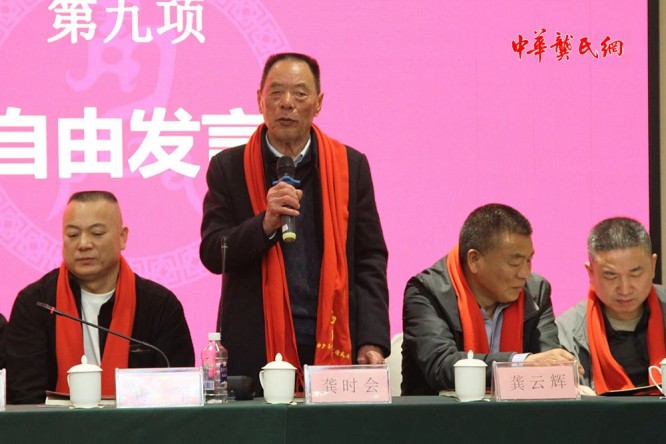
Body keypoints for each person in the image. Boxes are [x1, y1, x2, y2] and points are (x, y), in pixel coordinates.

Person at [199, 52, 389, 390]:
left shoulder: (350, 166)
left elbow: (369, 259)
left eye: (300, 93)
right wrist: (264, 225)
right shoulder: (228, 167)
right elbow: (214, 252)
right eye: (276, 92)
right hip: (255, 346)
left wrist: (371, 338)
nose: (287, 103)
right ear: (260, 100)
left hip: (334, 335)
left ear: (318, 103)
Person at [6, 191, 194, 404]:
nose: (83, 244)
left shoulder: (160, 306)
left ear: (122, 237)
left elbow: (177, 394)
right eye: (73, 235)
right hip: (54, 424)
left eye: (96, 233)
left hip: (139, 425)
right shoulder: (36, 304)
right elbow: (25, 397)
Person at [402, 203, 577, 395]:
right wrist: (520, 363)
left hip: (518, 413)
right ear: (474, 260)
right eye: (515, 262)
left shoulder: (536, 291)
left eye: (529, 260)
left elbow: (547, 360)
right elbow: (442, 366)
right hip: (441, 412)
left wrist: (560, 367)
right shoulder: (426, 292)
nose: (525, 273)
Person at [556, 217, 665, 394]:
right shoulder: (567, 332)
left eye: (635, 274)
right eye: (610, 275)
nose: (625, 289)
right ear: (591, 273)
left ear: (653, 266)